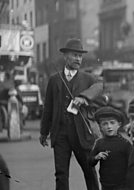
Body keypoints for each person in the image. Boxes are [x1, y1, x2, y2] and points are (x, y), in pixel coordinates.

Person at [39, 38, 102, 190]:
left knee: (89, 170)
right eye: (74, 55)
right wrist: (43, 132)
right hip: (60, 134)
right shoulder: (54, 80)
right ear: (65, 56)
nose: (78, 59)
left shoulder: (88, 78)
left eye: (80, 56)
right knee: (61, 174)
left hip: (81, 134)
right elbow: (48, 107)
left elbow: (99, 86)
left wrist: (84, 97)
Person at [89, 106, 131, 190]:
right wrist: (96, 157)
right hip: (105, 183)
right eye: (105, 124)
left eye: (112, 123)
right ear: (100, 126)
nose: (109, 126)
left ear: (119, 125)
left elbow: (131, 164)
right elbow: (90, 162)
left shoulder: (125, 143)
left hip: (122, 184)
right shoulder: (99, 143)